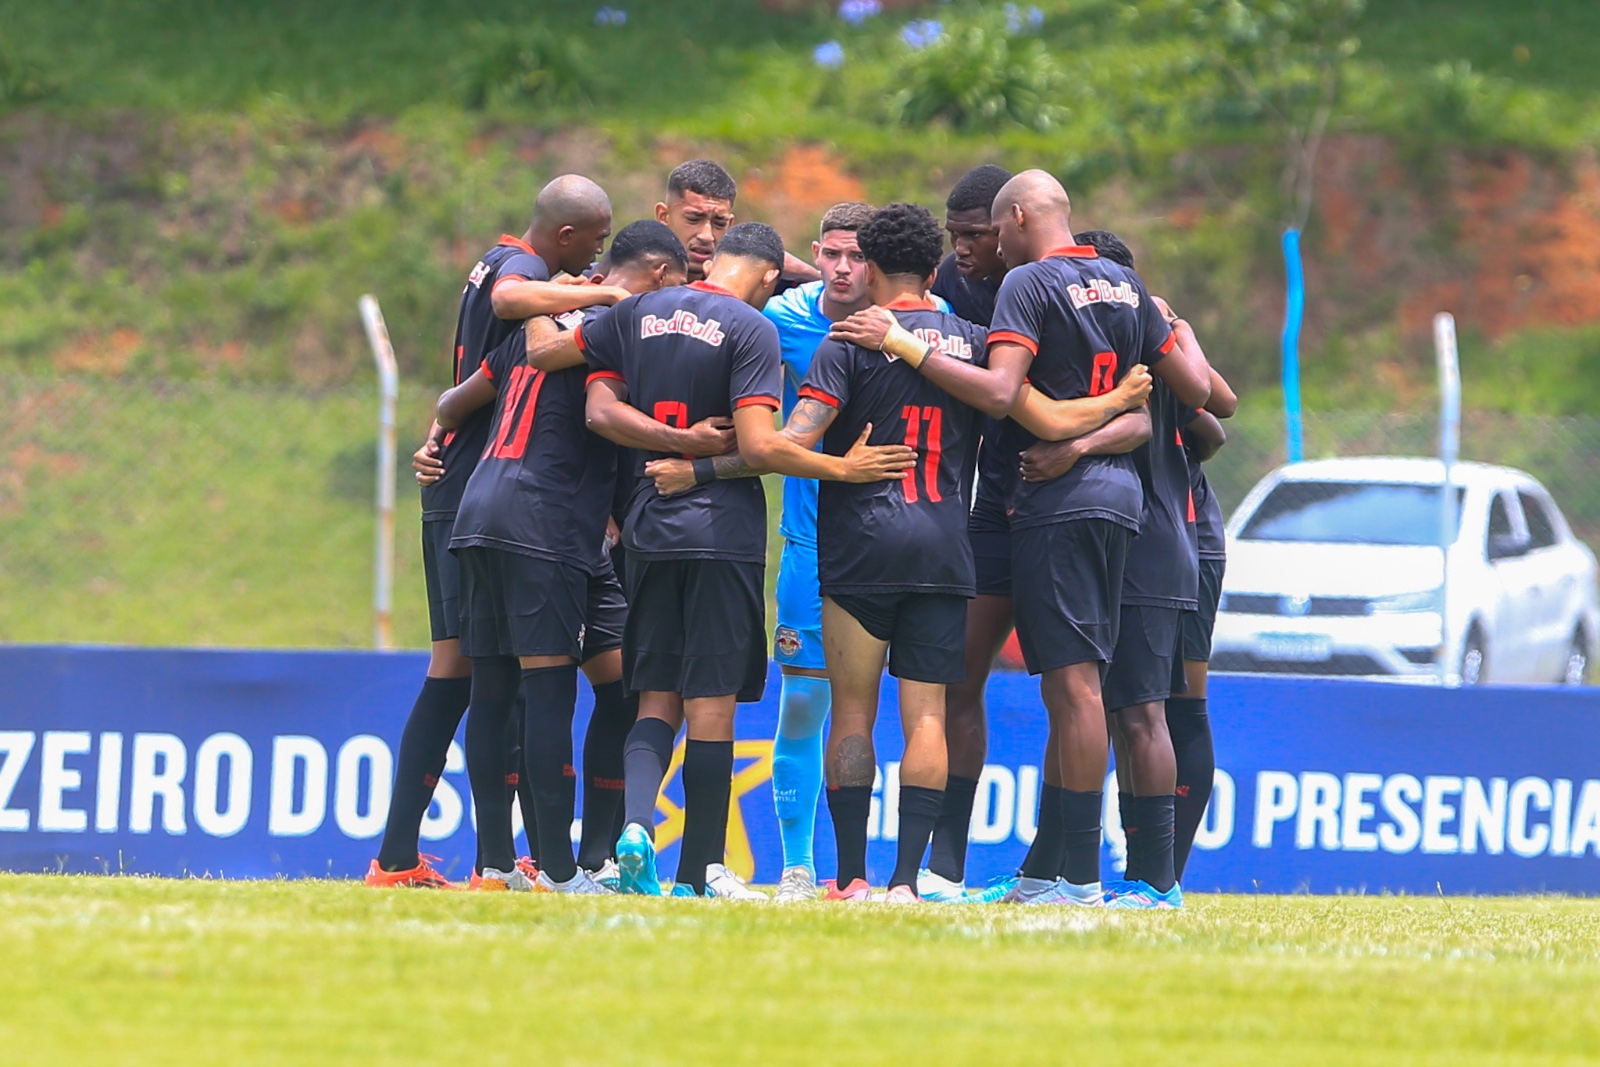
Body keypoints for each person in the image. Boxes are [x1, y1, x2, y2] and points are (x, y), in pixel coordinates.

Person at [583, 222, 912, 898]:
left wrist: (671, 441)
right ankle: (694, 873)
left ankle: (637, 825)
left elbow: (599, 410)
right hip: (721, 533)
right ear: (768, 278)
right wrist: (840, 468)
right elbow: (761, 446)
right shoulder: (751, 327)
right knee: (712, 705)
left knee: (653, 697)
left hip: (647, 527)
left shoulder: (637, 312)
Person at [367, 174, 624, 890]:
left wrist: (436, 432)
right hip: (487, 495)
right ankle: (437, 858)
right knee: (466, 674)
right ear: (565, 235)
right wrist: (602, 295)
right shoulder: (521, 269)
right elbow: (511, 306)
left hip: (467, 484)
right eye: (593, 240)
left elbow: (469, 381)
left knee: (480, 675)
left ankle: (475, 860)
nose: (596, 255)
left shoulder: (497, 263)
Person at [431, 221, 689, 894]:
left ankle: (494, 864)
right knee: (547, 692)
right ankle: (556, 868)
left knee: (495, 689)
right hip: (541, 522)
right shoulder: (622, 326)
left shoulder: (543, 319)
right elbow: (606, 417)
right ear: (661, 275)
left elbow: (456, 399)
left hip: (480, 511)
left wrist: (437, 442)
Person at [788, 202, 992, 903]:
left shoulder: (846, 342)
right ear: (933, 268)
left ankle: (849, 878)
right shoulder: (971, 340)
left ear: (868, 267)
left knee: (851, 710)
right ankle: (909, 880)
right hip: (943, 544)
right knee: (928, 713)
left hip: (863, 547)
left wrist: (841, 463)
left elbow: (792, 440)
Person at [1059, 230, 1212, 910]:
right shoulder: (1139, 346)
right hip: (1137, 541)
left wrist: (1171, 325)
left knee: (1144, 714)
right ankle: (1125, 874)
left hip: (1149, 545)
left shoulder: (1139, 346)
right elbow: (1215, 420)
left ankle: (1156, 880)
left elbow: (1213, 401)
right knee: (1119, 712)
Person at [758, 201, 876, 903]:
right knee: (805, 700)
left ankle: (911, 868)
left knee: (913, 705)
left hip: (893, 543)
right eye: (829, 254)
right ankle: (798, 867)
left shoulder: (916, 321)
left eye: (856, 257)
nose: (840, 268)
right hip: (810, 540)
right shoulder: (783, 319)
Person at [655, 159, 821, 287]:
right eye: (693, 219)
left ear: (730, 224)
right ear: (664, 216)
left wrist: (812, 276)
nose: (707, 236)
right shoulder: (637, 279)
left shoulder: (752, 283)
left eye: (719, 223)